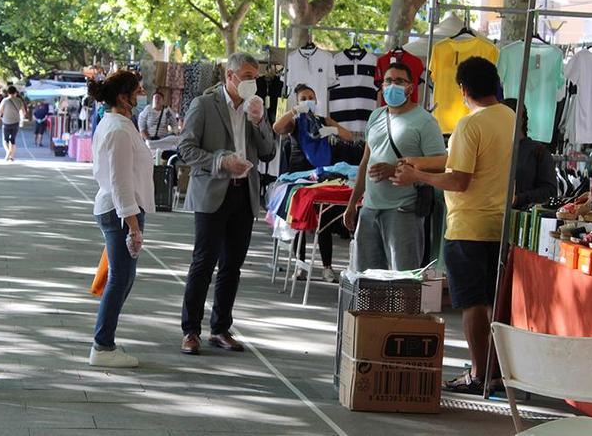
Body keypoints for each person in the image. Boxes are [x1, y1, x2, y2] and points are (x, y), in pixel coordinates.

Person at [391, 57, 515, 395]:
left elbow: (459, 179)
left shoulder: (469, 125)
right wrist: (421, 163)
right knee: (494, 301)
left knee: (473, 304)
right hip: (501, 225)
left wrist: (417, 176)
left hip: (468, 226)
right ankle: (496, 371)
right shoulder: (509, 118)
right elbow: (458, 159)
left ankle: (479, 374)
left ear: (463, 89)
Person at [178, 52, 276, 355]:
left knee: (232, 266)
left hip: (244, 194)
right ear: (229, 76)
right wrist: (220, 161)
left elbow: (269, 152)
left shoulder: (255, 107)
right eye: (246, 76)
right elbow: (186, 148)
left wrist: (260, 122)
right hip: (212, 191)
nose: (252, 82)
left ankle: (220, 328)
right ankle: (190, 330)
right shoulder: (204, 105)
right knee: (203, 262)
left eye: (255, 77)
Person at [342, 63, 447, 272]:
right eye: (388, 81)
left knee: (403, 281)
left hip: (404, 211)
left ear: (410, 87)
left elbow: (440, 164)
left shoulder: (425, 122)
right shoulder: (376, 116)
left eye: (399, 81)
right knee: (367, 282)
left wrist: (397, 169)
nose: (392, 85)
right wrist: (352, 203)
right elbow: (365, 162)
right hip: (370, 210)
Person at [88, 70, 155, 367]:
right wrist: (132, 226)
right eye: (137, 91)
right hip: (120, 211)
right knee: (120, 278)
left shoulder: (118, 125)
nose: (140, 95)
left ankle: (105, 341)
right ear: (122, 97)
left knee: (123, 278)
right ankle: (102, 346)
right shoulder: (117, 128)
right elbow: (120, 181)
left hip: (122, 210)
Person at [273, 83, 353, 282]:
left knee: (323, 222)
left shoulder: (322, 120)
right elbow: (277, 127)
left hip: (322, 175)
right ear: (298, 101)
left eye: (311, 96)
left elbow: (348, 135)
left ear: (317, 100)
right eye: (303, 98)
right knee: (300, 221)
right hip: (300, 176)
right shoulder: (295, 122)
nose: (308, 100)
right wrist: (293, 111)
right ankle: (300, 265)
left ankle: (327, 267)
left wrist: (330, 129)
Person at [502, 98, 556, 209]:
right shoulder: (492, 148)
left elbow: (549, 191)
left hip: (521, 217)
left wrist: (518, 199)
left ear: (520, 119)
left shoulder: (538, 151)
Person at [0, 86, 27, 161]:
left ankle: (8, 152)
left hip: (6, 122)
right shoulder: (19, 101)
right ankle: (11, 156)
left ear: (8, 93)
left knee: (5, 140)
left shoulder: (5, 101)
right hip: (16, 122)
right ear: (15, 93)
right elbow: (23, 112)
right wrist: (22, 120)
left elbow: (0, 111)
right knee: (13, 140)